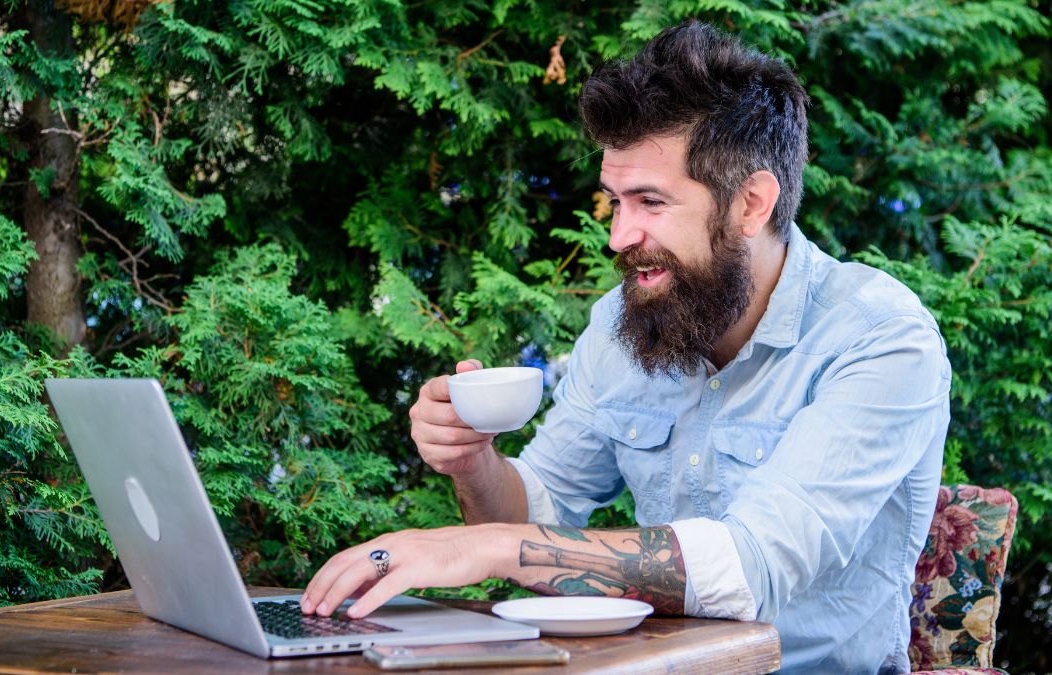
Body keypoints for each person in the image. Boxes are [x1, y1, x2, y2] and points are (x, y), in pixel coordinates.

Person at [302, 20, 949, 673]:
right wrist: (475, 463)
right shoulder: (624, 321)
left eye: (649, 201)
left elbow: (753, 565)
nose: (618, 235)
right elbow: (541, 508)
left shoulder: (881, 339)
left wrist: (496, 548)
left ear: (750, 204)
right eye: (615, 201)